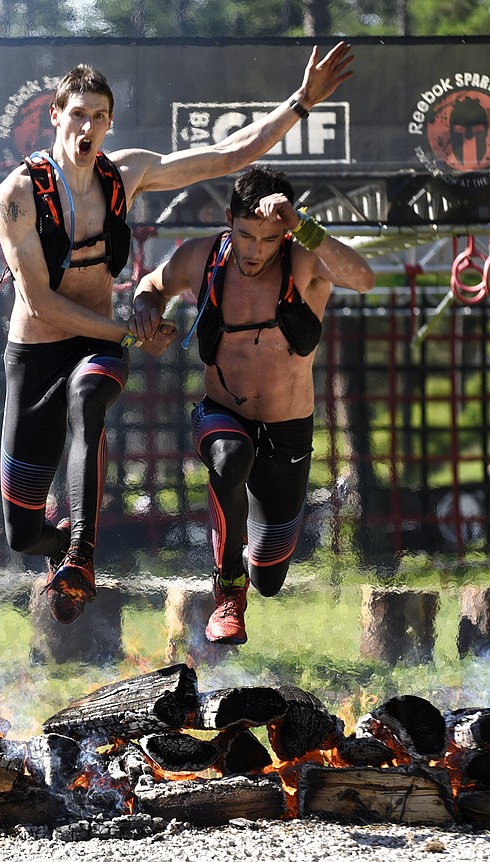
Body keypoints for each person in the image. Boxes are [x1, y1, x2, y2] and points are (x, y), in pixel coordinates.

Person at [0, 44, 356, 625]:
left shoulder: (126, 173)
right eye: (78, 114)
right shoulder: (17, 194)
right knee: (20, 532)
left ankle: (83, 556)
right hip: (36, 350)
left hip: (95, 346)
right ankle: (60, 545)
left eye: (99, 117)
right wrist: (130, 330)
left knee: (90, 396)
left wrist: (301, 102)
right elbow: (40, 301)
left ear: (109, 125)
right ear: (54, 115)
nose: (87, 127)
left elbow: (228, 154)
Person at [128, 166, 375, 644]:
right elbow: (152, 286)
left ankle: (249, 571)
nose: (255, 250)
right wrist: (146, 311)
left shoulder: (304, 259)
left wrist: (301, 224)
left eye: (267, 239)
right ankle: (227, 591)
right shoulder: (203, 258)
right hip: (221, 414)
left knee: (270, 578)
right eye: (245, 236)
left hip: (287, 433)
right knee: (231, 455)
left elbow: (364, 278)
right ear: (229, 221)